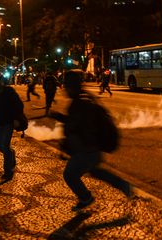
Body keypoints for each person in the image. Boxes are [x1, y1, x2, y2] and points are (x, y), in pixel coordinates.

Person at [50, 70, 130, 211]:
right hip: (90, 148)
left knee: (69, 175)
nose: (64, 90)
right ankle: (123, 186)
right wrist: (61, 118)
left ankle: (86, 197)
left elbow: (80, 127)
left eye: (66, 86)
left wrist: (68, 145)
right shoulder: (83, 99)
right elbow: (76, 122)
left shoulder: (80, 103)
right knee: (95, 171)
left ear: (72, 86)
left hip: (87, 148)